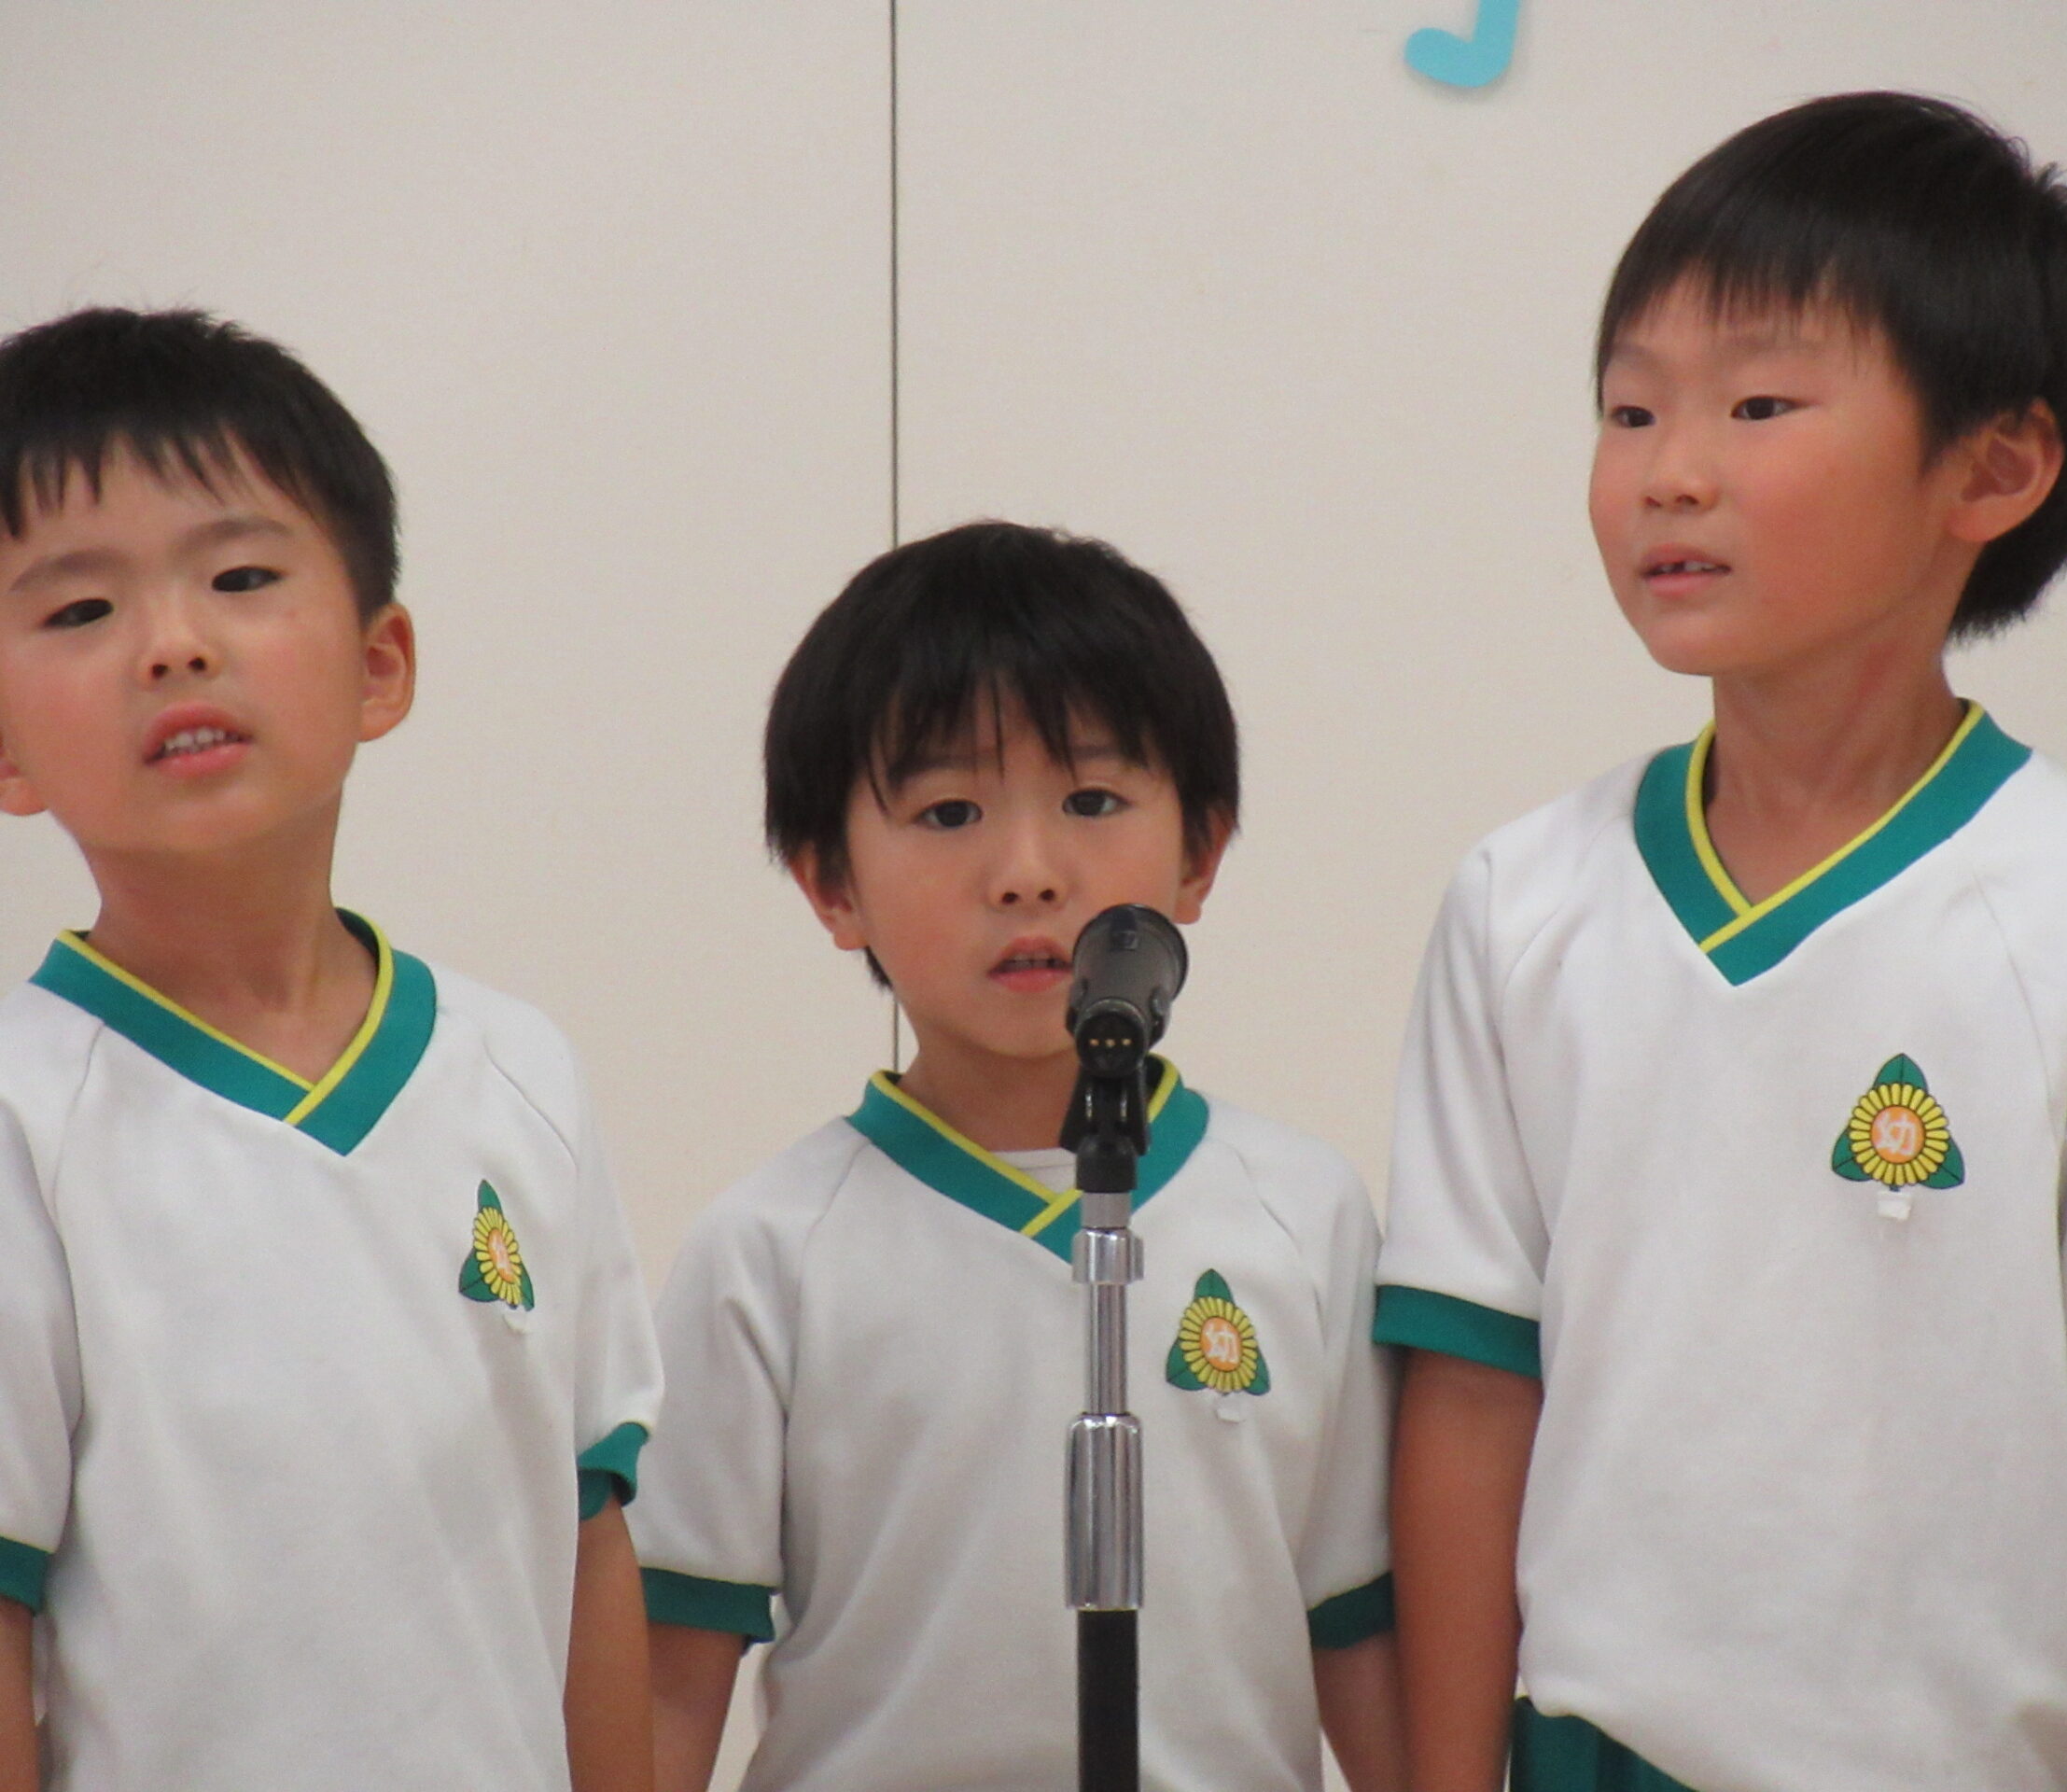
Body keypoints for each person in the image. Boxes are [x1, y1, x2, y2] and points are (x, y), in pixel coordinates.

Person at [1376, 92, 2067, 1792]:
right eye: (1630, 408)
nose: (1670, 469)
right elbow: (1468, 1394)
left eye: (1757, 404)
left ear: (1995, 468)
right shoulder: (1520, 901)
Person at [0, 308, 663, 1792]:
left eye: (240, 578)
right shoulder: (24, 1119)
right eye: (80, 609)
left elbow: (588, 1542)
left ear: (379, 665)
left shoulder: (520, 1074)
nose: (174, 643)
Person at [631, 520, 1403, 1792]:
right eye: (948, 812)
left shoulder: (1301, 1212)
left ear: (1200, 852)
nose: (1027, 875)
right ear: (831, 883)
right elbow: (669, 1680)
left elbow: (1362, 1635)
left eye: (1091, 802)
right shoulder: (769, 1252)